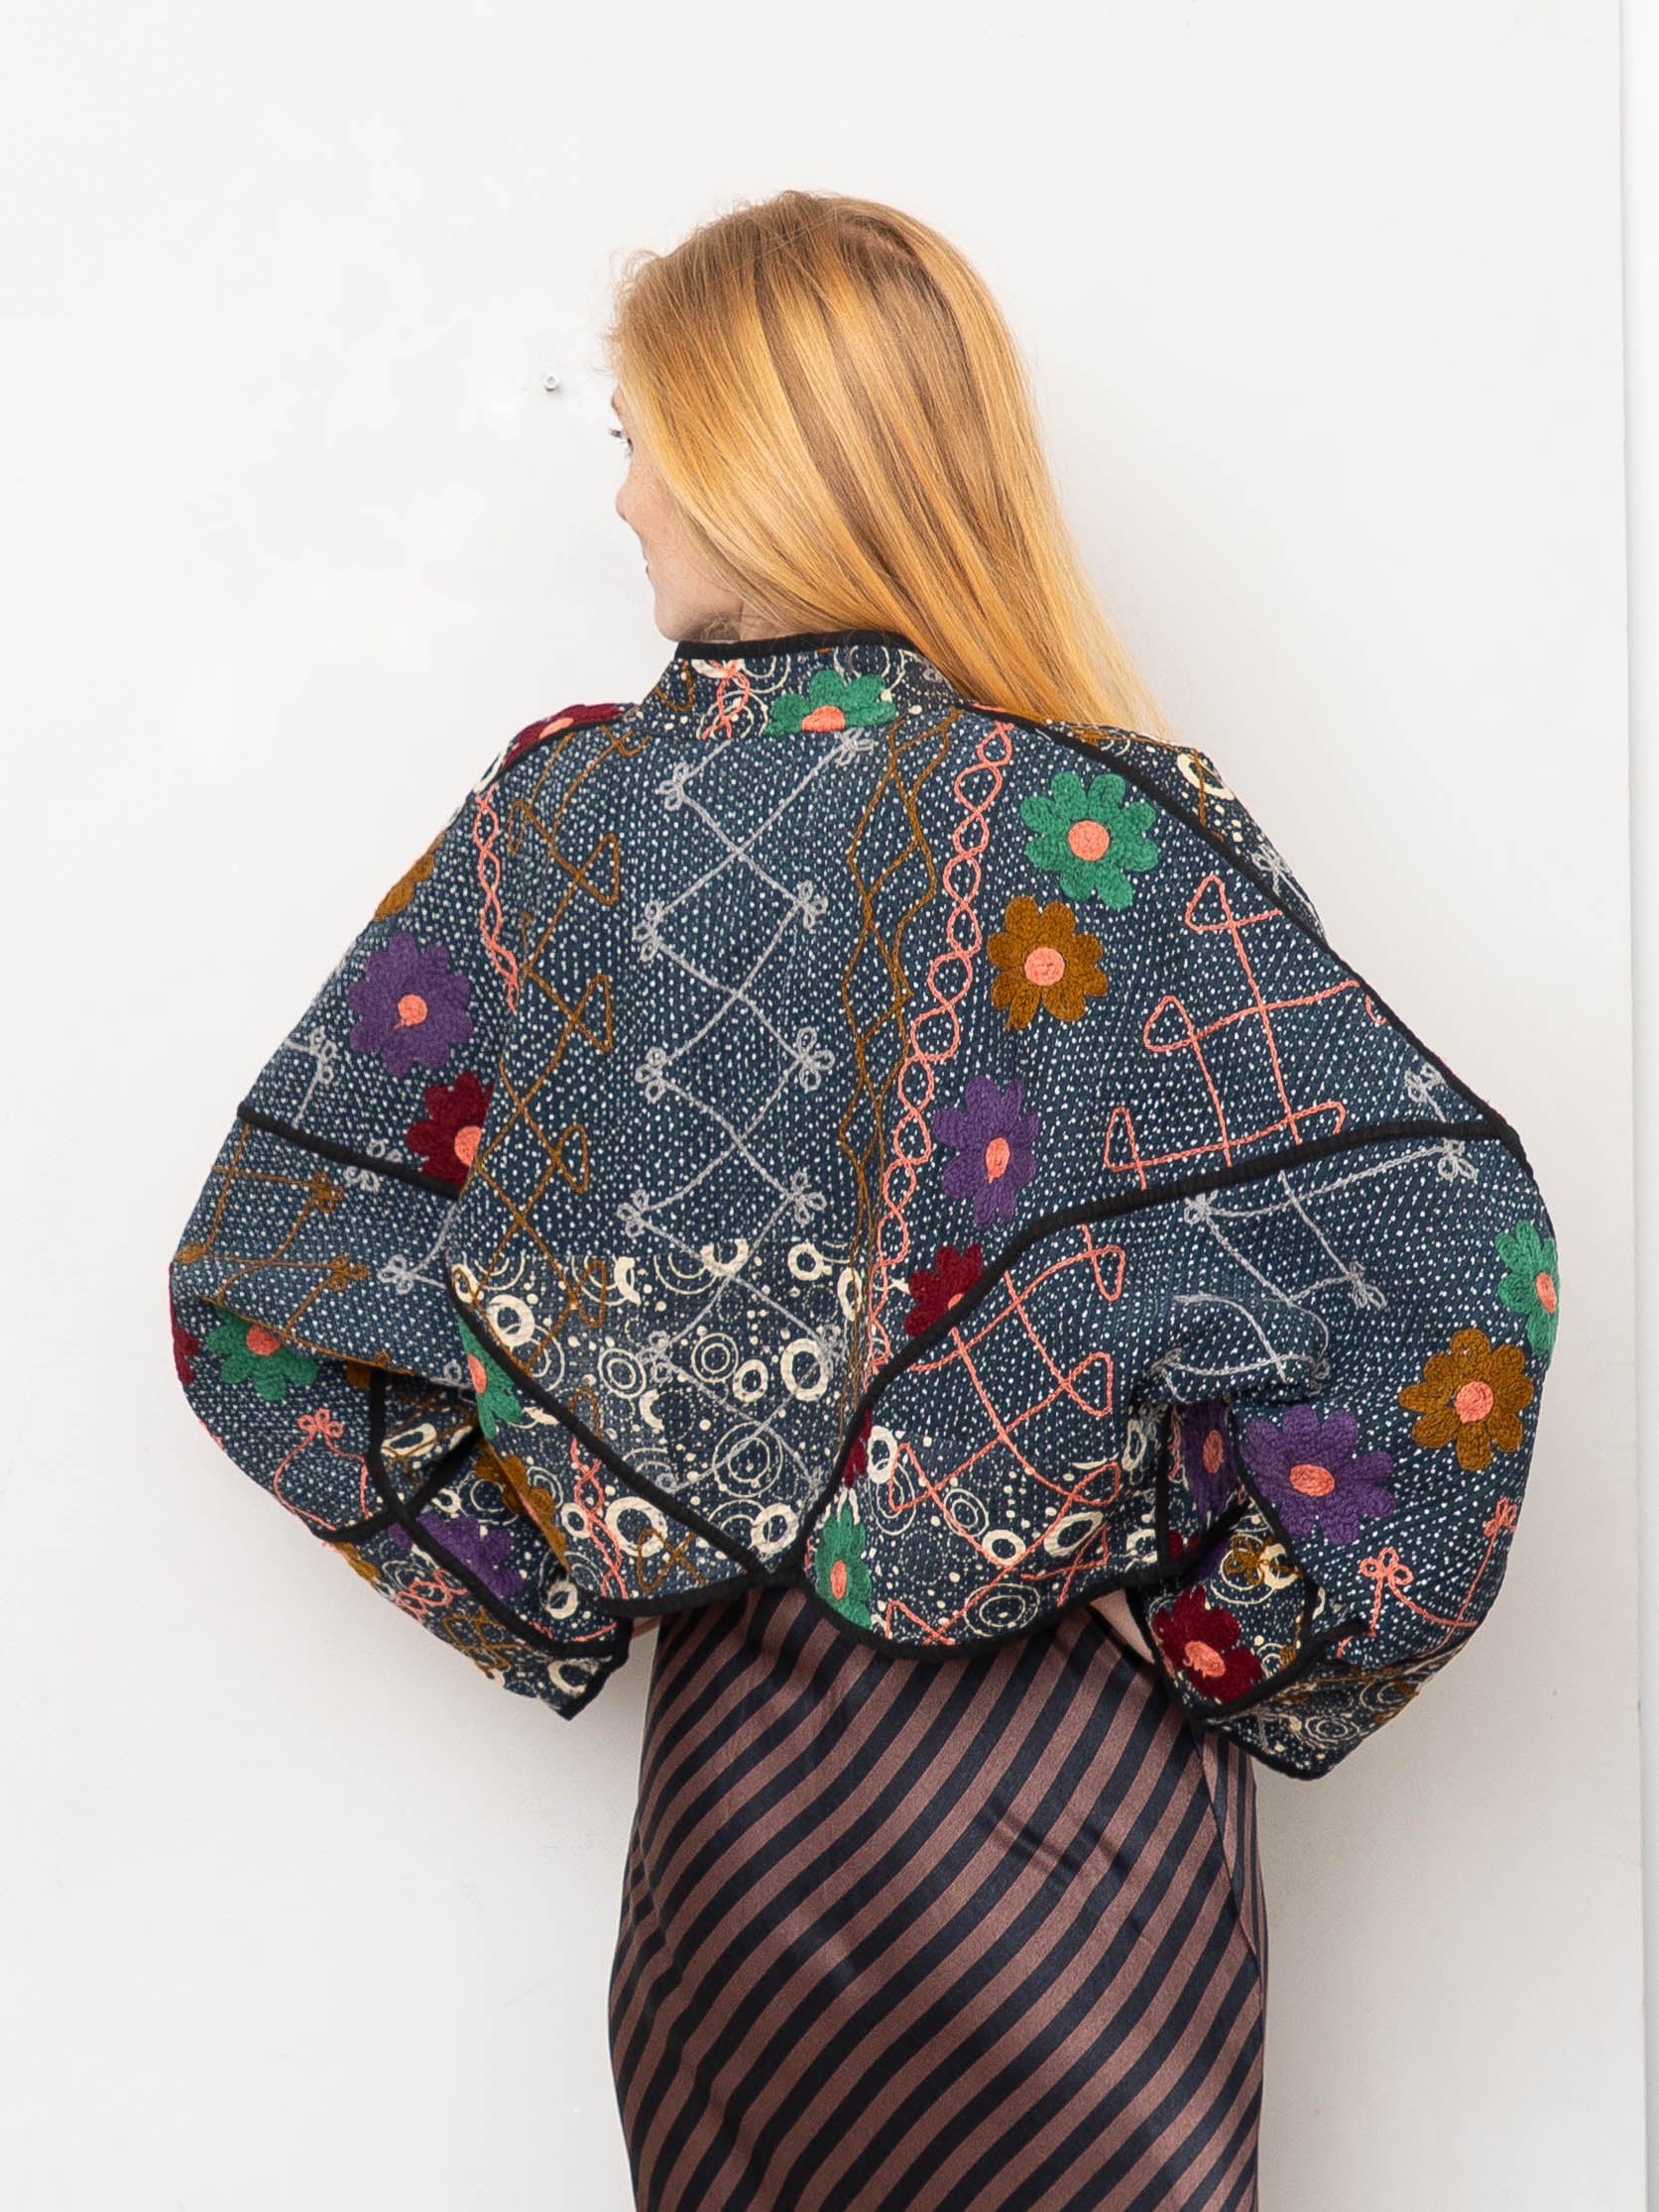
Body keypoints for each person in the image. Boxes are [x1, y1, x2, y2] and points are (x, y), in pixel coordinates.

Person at [168, 191, 1560, 2211]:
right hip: (1089, 1796)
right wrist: (1231, 1629)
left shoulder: (557, 833)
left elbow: (273, 1274)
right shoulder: (1103, 825)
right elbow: (1437, 1265)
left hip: (741, 1793)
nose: (625, 501)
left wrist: (568, 1559)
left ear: (766, 453)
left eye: (647, 441)